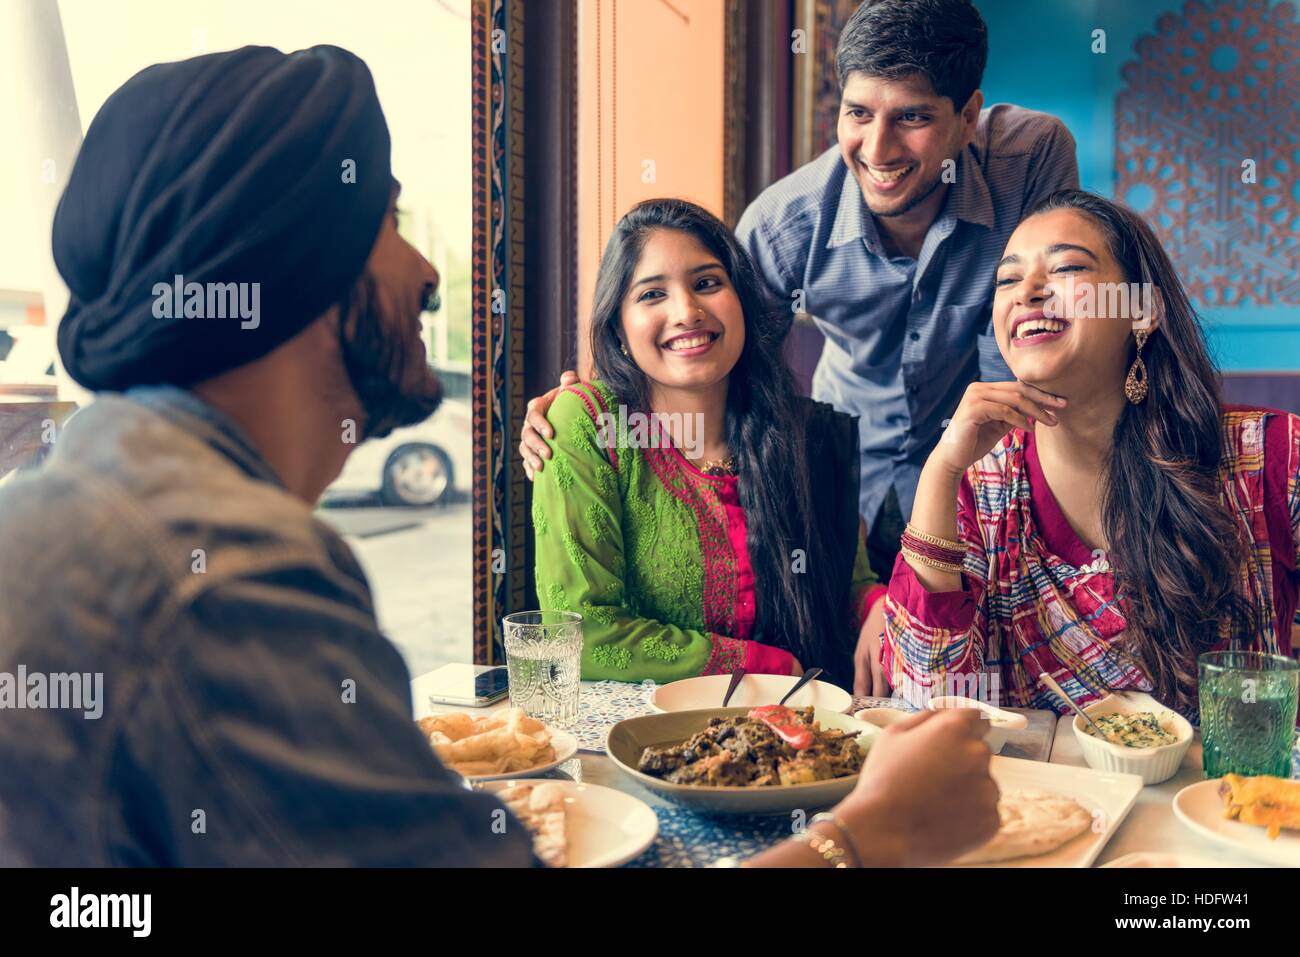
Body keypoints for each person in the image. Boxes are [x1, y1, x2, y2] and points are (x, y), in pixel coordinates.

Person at [0, 45, 1000, 868]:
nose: (429, 271)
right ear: (290, 256)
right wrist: (870, 839)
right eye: (387, 223)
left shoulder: (101, 503)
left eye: (708, 284)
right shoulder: (221, 574)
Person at [519, 0, 1079, 696]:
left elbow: (1047, 319)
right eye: (858, 114)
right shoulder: (785, 226)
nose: (877, 151)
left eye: (912, 116)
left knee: (983, 693)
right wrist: (588, 400)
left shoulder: (1029, 158)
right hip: (851, 483)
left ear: (967, 116)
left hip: (986, 474)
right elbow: (715, 357)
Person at [882, 189, 1300, 718]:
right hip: (1046, 800)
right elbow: (930, 700)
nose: (1028, 291)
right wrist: (940, 470)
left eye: (1066, 269)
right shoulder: (980, 485)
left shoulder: (1268, 458)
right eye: (1008, 279)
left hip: (1221, 799)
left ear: (1142, 310)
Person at [533, 199, 886, 689]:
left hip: (795, 735)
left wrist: (875, 607)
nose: (687, 312)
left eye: (707, 283)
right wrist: (767, 668)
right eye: (652, 294)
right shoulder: (591, 426)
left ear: (741, 300)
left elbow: (847, 581)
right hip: (636, 745)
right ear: (618, 325)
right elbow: (576, 634)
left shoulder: (799, 432)